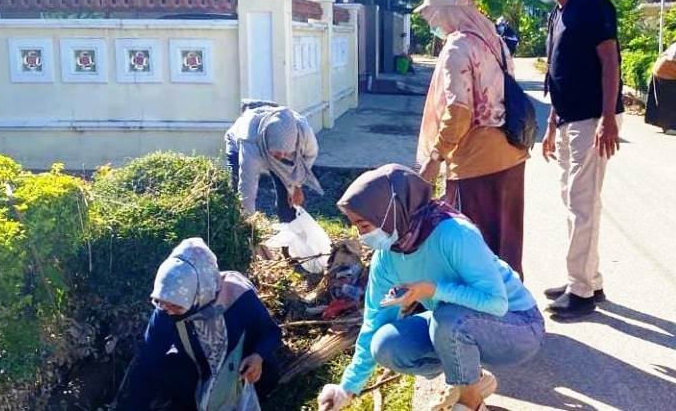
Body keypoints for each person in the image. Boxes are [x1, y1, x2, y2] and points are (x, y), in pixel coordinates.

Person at [317, 165, 544, 411]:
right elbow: (374, 321)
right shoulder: (388, 256)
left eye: (363, 225)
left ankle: (471, 403)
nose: (360, 236)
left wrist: (435, 290)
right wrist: (346, 388)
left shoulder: (454, 233)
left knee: (447, 318)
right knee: (386, 344)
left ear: (389, 211)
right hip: (458, 323)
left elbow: (496, 302)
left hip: (519, 325)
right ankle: (473, 379)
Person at [526, 0, 624, 318]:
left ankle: (580, 291)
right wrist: (551, 122)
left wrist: (608, 118)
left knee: (581, 204)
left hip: (591, 120)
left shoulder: (592, 4)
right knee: (577, 202)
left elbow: (610, 62)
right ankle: (588, 280)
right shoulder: (559, 11)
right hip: (568, 119)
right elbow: (558, 72)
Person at [415, 0, 529, 278]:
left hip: (476, 163)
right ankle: (515, 313)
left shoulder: (458, 47)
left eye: (432, 13)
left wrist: (436, 156)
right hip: (512, 153)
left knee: (474, 249)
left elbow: (459, 110)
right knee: (507, 242)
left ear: (447, 10)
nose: (432, 21)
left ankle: (482, 318)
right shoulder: (495, 41)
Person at [115, 238, 282, 410]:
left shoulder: (238, 296)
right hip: (197, 367)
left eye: (176, 306)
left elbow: (271, 333)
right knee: (166, 373)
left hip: (239, 367)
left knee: (269, 372)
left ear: (199, 294)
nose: (168, 310)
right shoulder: (165, 309)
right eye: (161, 302)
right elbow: (148, 358)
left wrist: (258, 356)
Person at [225, 104, 322, 222]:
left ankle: (291, 226)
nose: (281, 158)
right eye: (277, 154)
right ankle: (235, 225)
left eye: (286, 153)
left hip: (272, 146)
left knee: (289, 196)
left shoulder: (303, 131)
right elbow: (247, 186)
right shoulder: (250, 142)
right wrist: (248, 222)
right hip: (239, 145)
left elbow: (309, 157)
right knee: (236, 192)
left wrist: (296, 185)